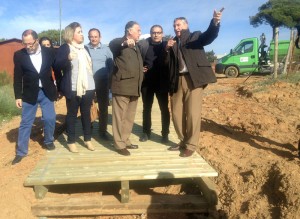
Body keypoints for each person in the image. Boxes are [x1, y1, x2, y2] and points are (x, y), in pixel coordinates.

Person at [165, 10, 222, 157]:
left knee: (192, 114)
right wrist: (167, 49)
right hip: (176, 80)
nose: (176, 27)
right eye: (174, 25)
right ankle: (183, 141)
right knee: (177, 114)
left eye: (178, 25)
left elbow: (209, 36)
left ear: (186, 25)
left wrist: (215, 22)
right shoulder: (172, 42)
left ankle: (191, 144)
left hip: (194, 79)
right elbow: (166, 64)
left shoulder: (194, 37)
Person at [12, 29, 57, 165]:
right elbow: (17, 76)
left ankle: (48, 141)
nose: (27, 47)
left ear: (37, 41)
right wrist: (18, 96)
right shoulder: (19, 55)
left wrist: (60, 87)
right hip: (29, 93)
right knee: (26, 122)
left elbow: (56, 68)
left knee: (50, 118)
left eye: (30, 44)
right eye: (24, 44)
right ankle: (21, 152)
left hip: (46, 91)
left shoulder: (49, 51)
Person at [53, 22, 95, 153]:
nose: (82, 34)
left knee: (86, 114)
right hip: (73, 88)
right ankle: (71, 141)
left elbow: (90, 68)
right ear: (71, 34)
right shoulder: (65, 48)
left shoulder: (85, 48)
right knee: (71, 115)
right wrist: (67, 58)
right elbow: (56, 66)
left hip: (88, 86)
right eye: (79, 32)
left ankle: (87, 139)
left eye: (82, 31)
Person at [109, 21, 143, 156]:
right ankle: (118, 144)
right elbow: (114, 45)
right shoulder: (118, 43)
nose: (140, 32)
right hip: (122, 86)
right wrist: (124, 42)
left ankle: (125, 139)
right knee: (119, 117)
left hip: (135, 87)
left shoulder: (137, 46)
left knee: (129, 117)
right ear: (130, 31)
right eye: (138, 30)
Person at [138, 25, 170, 143]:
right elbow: (137, 59)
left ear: (162, 33)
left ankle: (165, 134)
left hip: (162, 83)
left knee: (164, 109)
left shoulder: (167, 45)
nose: (156, 35)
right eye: (153, 32)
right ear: (150, 33)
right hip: (147, 83)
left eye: (158, 32)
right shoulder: (144, 45)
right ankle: (146, 132)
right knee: (146, 108)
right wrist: (139, 68)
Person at [86, 28, 114, 140]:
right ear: (88, 37)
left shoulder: (106, 50)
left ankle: (102, 131)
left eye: (95, 36)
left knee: (103, 107)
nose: (93, 38)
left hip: (103, 82)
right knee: (87, 106)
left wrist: (110, 81)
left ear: (100, 37)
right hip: (88, 82)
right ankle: (88, 126)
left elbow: (111, 66)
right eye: (91, 36)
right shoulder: (84, 49)